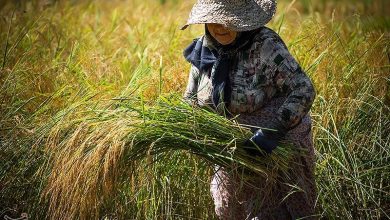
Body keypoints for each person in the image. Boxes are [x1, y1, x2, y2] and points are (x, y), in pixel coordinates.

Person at [181, 0, 317, 219]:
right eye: (213, 20)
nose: (219, 27)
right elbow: (190, 100)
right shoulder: (204, 49)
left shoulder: (265, 46)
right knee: (228, 207)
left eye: (228, 20)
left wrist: (272, 132)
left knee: (273, 211)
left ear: (243, 21)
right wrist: (189, 129)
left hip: (277, 143)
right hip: (233, 145)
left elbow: (303, 88)